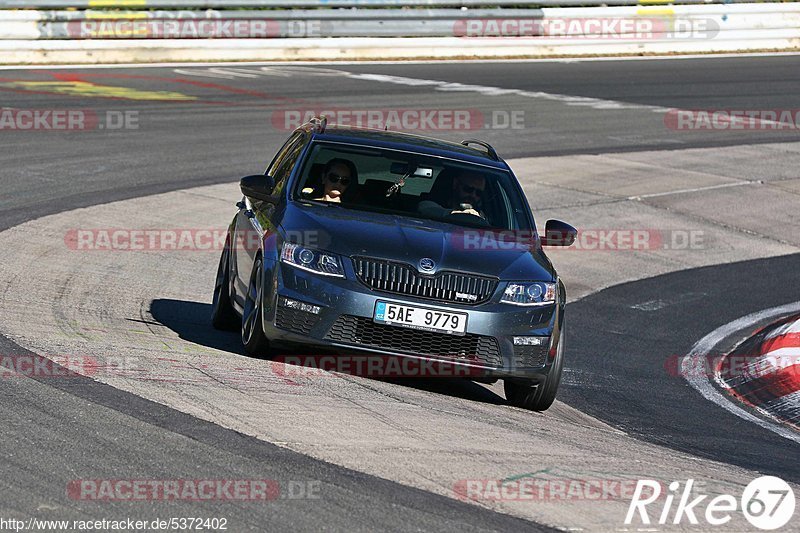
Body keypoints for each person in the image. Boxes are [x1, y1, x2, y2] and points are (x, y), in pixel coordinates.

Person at [418, 170, 487, 220]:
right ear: (455, 184)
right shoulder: (432, 204)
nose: (473, 195)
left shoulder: (482, 216)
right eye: (468, 189)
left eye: (478, 193)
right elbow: (425, 208)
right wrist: (455, 213)